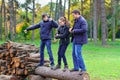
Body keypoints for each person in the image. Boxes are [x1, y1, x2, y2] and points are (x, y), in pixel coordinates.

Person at [69, 10, 88, 74]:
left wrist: (74, 31)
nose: (73, 16)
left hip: (80, 40)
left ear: (77, 14)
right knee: (74, 54)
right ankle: (76, 67)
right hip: (75, 39)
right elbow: (75, 28)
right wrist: (72, 29)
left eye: (73, 15)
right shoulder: (76, 20)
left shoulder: (82, 20)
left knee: (78, 54)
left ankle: (83, 69)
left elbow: (84, 29)